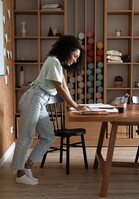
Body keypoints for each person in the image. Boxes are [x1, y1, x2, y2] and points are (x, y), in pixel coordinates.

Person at [11, 35, 90, 185]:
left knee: (48, 136)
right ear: (67, 50)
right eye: (74, 55)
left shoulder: (59, 65)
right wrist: (75, 106)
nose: (75, 60)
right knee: (26, 136)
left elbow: (64, 85)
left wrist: (74, 105)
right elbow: (59, 88)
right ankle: (20, 174)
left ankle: (27, 166)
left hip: (41, 101)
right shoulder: (53, 61)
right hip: (34, 98)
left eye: (77, 58)